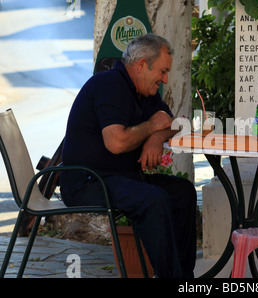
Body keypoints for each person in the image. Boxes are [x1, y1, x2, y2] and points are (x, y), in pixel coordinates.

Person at [60, 34, 197, 278]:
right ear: (142, 64)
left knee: (183, 191)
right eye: (163, 71)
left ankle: (184, 277)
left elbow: (175, 123)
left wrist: (155, 138)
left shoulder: (144, 90)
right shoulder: (109, 84)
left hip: (121, 177)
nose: (165, 79)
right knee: (153, 200)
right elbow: (116, 142)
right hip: (88, 182)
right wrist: (152, 126)